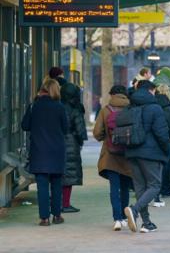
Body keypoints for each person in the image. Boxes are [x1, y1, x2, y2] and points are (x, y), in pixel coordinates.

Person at [124, 80, 170, 233]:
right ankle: (135, 210)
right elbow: (161, 133)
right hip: (150, 154)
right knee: (154, 185)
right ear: (151, 91)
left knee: (140, 188)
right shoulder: (155, 108)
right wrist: (166, 150)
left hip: (131, 152)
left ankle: (147, 223)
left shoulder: (130, 106)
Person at [21, 79, 68, 226]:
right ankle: (57, 215)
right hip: (57, 151)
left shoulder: (34, 106)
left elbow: (25, 126)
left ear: (41, 90)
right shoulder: (60, 107)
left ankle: (44, 218)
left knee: (42, 186)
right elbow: (65, 129)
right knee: (56, 184)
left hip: (39, 151)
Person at [93, 85, 133, 231]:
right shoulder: (131, 109)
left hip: (110, 155)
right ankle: (124, 216)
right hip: (128, 155)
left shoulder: (105, 110)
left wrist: (107, 137)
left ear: (112, 95)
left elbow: (97, 133)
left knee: (114, 188)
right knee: (125, 188)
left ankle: (116, 219)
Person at [151, 80, 170, 205]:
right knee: (166, 165)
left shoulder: (151, 107)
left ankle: (154, 192)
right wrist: (169, 137)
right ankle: (165, 189)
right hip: (167, 141)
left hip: (152, 141)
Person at [60, 82, 88, 213]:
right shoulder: (75, 109)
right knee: (69, 175)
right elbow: (80, 130)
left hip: (57, 142)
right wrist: (80, 141)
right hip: (71, 142)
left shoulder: (58, 106)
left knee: (58, 175)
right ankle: (65, 204)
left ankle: (57, 202)